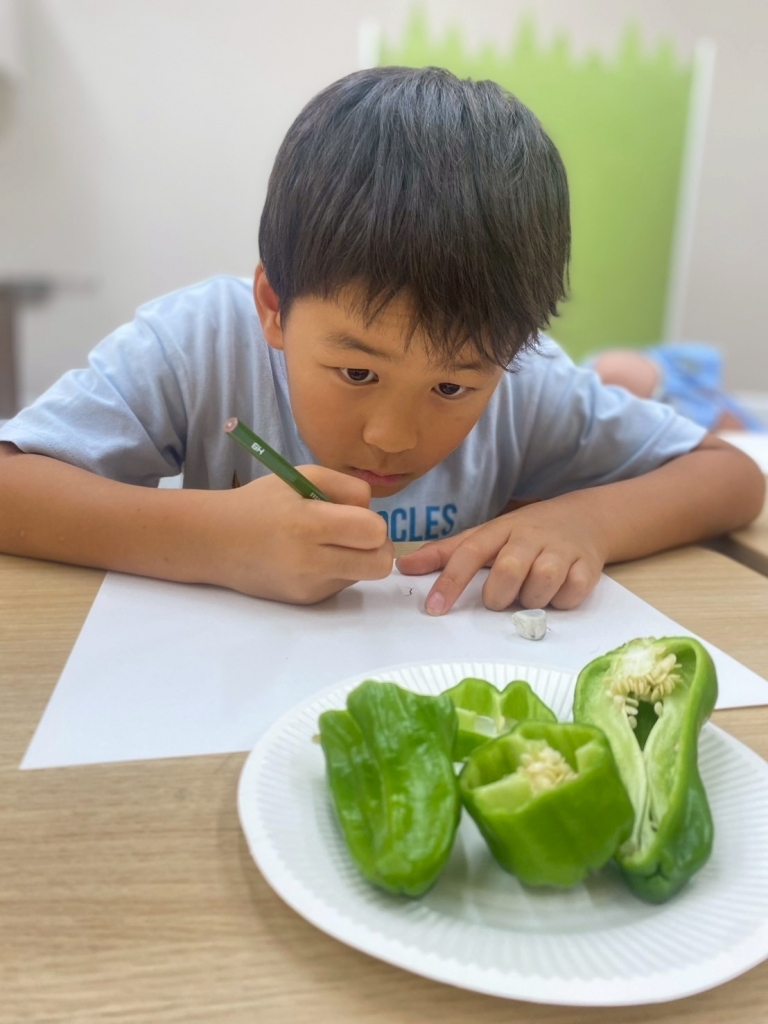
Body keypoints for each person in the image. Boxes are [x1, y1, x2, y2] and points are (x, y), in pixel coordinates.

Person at [0, 67, 763, 616]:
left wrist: (583, 522)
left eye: (452, 387)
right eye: (358, 373)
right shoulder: (199, 344)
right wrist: (215, 541)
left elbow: (731, 478)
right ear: (274, 305)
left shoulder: (524, 383)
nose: (392, 437)